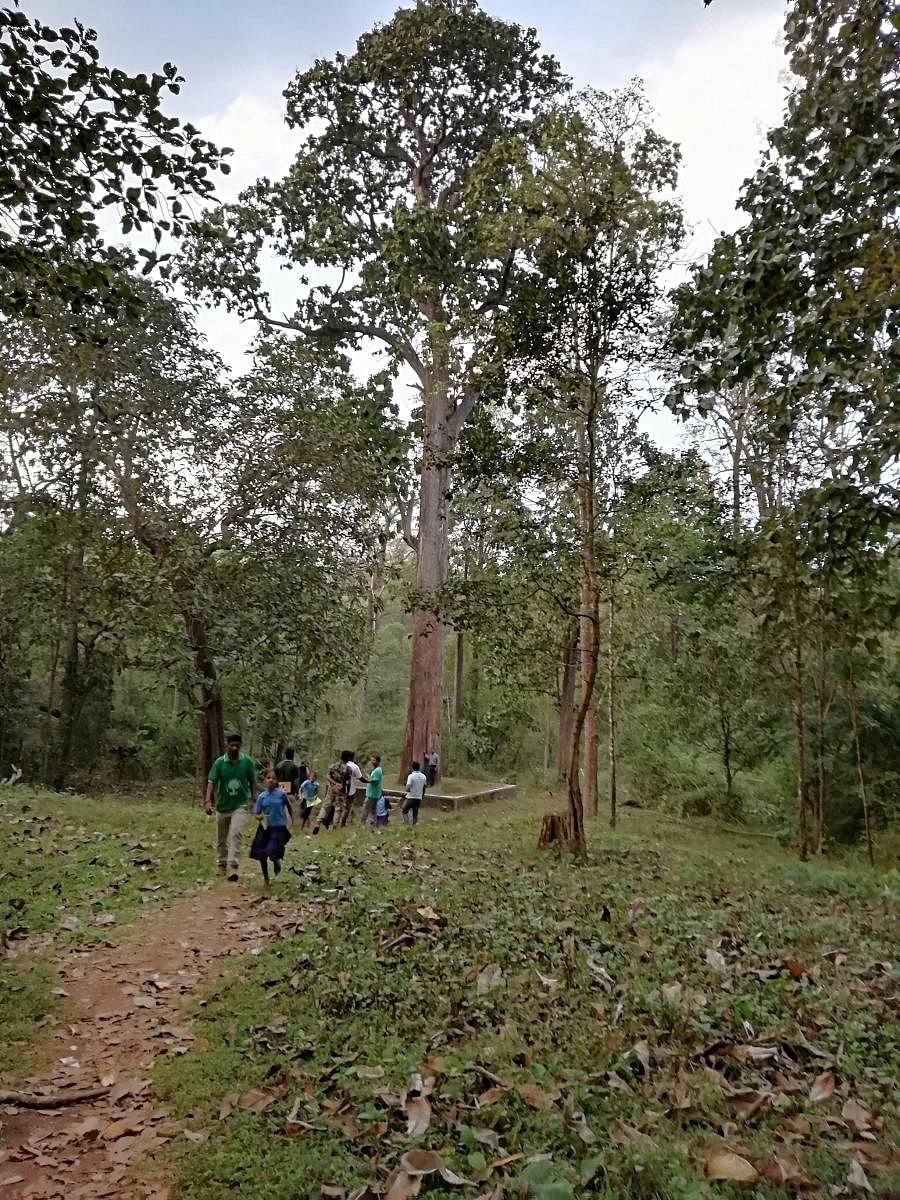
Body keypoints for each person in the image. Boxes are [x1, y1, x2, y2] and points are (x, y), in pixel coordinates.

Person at [204, 733, 257, 882]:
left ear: (240, 746)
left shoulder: (246, 761)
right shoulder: (220, 763)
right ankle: (221, 864)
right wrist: (208, 800)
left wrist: (254, 798)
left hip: (239, 805)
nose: (234, 748)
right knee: (221, 838)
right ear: (227, 746)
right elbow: (211, 782)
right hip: (222, 806)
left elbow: (252, 780)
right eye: (231, 745)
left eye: (237, 746)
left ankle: (233, 865)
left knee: (236, 832)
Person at [249, 768, 292, 885]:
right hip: (265, 828)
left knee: (272, 851)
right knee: (261, 854)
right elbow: (256, 812)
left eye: (274, 778)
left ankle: (276, 861)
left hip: (278, 827)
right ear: (264, 780)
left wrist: (292, 819)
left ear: (277, 781)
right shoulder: (262, 796)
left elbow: (289, 806)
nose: (271, 780)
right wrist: (259, 817)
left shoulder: (281, 794)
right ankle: (266, 878)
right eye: (268, 778)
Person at [314, 753, 348, 834]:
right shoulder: (347, 769)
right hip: (340, 790)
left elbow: (327, 776)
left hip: (331, 788)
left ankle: (318, 823)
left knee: (325, 806)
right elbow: (347, 781)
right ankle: (334, 827)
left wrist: (333, 783)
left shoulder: (334, 765)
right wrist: (339, 785)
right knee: (338, 809)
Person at [339, 750, 363, 827]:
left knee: (339, 806)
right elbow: (361, 778)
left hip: (339, 790)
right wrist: (369, 781)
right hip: (350, 791)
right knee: (347, 807)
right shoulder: (355, 767)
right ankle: (342, 823)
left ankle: (336, 822)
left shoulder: (340, 766)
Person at [402, 760, 428, 826]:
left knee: (404, 810)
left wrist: (408, 790)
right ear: (419, 767)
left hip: (411, 797)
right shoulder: (423, 776)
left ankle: (407, 823)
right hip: (419, 797)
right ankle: (414, 825)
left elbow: (407, 788)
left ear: (412, 767)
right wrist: (422, 795)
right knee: (415, 813)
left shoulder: (411, 776)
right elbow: (424, 787)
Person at [363, 753, 384, 827]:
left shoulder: (378, 770)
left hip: (372, 794)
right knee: (373, 810)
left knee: (366, 809)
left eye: (374, 760)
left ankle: (362, 823)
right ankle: (373, 824)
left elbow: (375, 781)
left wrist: (367, 779)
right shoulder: (375, 770)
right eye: (371, 760)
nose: (372, 762)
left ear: (378, 761)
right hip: (374, 793)